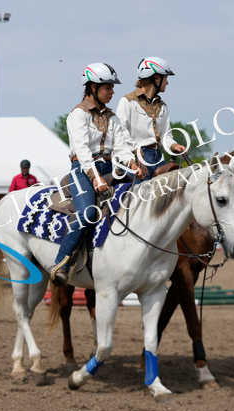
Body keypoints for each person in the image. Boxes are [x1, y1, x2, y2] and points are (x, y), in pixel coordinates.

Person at [49, 62, 145, 286]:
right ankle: (61, 262)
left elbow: (121, 147)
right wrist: (95, 177)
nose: (112, 92)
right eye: (107, 87)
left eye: (112, 88)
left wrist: (132, 163)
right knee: (88, 214)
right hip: (82, 171)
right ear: (92, 87)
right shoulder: (78, 115)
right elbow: (82, 152)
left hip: (109, 169)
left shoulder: (112, 117)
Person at [116, 57, 185, 180]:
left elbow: (166, 136)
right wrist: (136, 153)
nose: (167, 83)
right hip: (136, 159)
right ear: (156, 78)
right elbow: (121, 134)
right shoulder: (127, 102)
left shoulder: (163, 106)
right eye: (165, 78)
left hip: (158, 157)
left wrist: (174, 145)